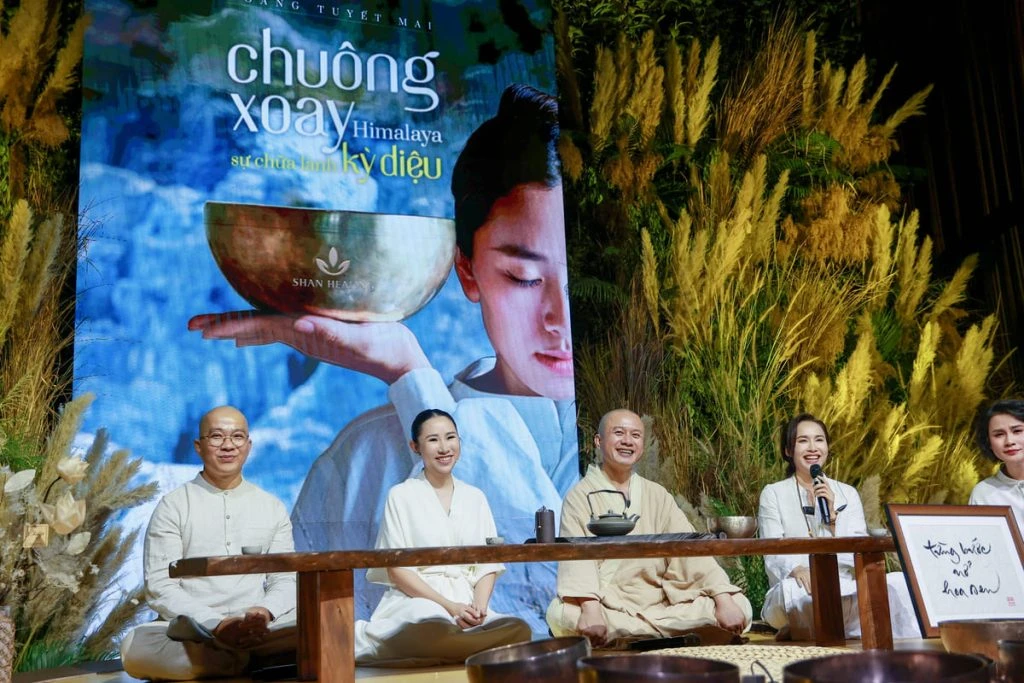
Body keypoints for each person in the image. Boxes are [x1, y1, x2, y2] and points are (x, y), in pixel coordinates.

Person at [188, 83, 576, 633]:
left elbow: (564, 598)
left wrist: (415, 382)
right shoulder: (363, 456)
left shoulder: (640, 437)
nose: (559, 316)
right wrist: (407, 372)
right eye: (525, 277)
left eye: (575, 280)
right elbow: (509, 614)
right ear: (465, 269)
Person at [546, 409, 752, 647]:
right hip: (609, 607)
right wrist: (591, 610)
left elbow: (689, 549)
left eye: (635, 435)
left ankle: (637, 635)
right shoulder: (580, 496)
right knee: (560, 614)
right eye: (618, 433)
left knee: (740, 605)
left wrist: (723, 599)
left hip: (663, 604)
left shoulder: (657, 494)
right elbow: (576, 559)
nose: (627, 441)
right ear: (598, 441)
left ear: (642, 444)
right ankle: (668, 634)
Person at [120, 406, 296, 680]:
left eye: (237, 437)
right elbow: (160, 586)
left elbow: (284, 580)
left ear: (248, 446)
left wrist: (264, 612)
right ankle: (241, 657)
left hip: (257, 626)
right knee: (135, 647)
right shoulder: (173, 506)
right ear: (199, 447)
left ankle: (225, 658)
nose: (228, 446)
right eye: (216, 437)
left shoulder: (271, 506)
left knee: (318, 627)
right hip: (194, 630)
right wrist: (218, 624)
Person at [355, 409, 531, 664]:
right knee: (430, 622)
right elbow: (397, 570)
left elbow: (487, 563)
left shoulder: (475, 497)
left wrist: (479, 607)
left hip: (466, 602)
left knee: (519, 629)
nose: (444, 447)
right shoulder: (401, 495)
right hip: (417, 599)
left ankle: (448, 643)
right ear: (415, 446)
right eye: (433, 440)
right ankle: (443, 642)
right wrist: (449, 606)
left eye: (450, 437)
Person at [758, 413, 920, 641]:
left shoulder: (847, 493)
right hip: (799, 584)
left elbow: (859, 548)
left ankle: (806, 629)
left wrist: (833, 520)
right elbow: (771, 548)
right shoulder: (773, 493)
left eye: (819, 440)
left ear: (827, 446)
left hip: (845, 585)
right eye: (803, 441)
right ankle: (856, 626)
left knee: (901, 583)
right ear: (788, 450)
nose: (813, 447)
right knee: (794, 596)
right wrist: (798, 569)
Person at [969, 399, 1024, 533]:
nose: (1009, 441)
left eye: (1017, 431)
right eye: (999, 434)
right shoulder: (984, 494)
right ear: (988, 442)